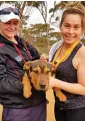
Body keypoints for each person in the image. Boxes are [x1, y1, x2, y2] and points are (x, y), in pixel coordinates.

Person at [0, 3, 46, 121]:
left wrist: (43, 60)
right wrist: (27, 84)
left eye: (15, 23)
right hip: (18, 109)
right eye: (7, 22)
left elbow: (37, 59)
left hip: (39, 104)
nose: (12, 27)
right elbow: (2, 82)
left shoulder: (23, 43)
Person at [49, 3, 85, 121]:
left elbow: (84, 88)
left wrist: (56, 83)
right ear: (60, 26)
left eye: (76, 27)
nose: (70, 31)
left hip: (77, 111)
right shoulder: (56, 47)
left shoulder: (81, 52)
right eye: (67, 26)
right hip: (59, 107)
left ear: (82, 29)